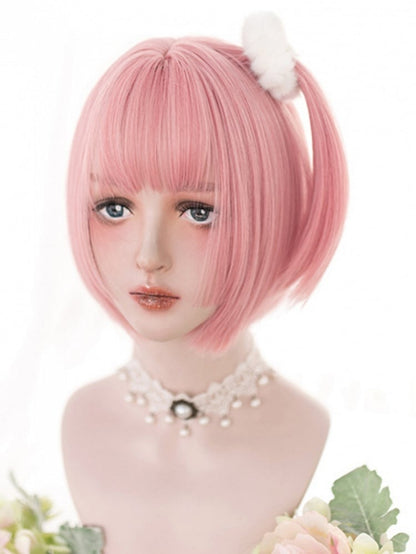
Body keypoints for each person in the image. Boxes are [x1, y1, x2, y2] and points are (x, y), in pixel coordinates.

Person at [61, 12, 348, 554]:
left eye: (198, 212)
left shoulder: (313, 432)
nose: (149, 255)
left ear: (272, 214)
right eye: (115, 207)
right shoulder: (78, 420)